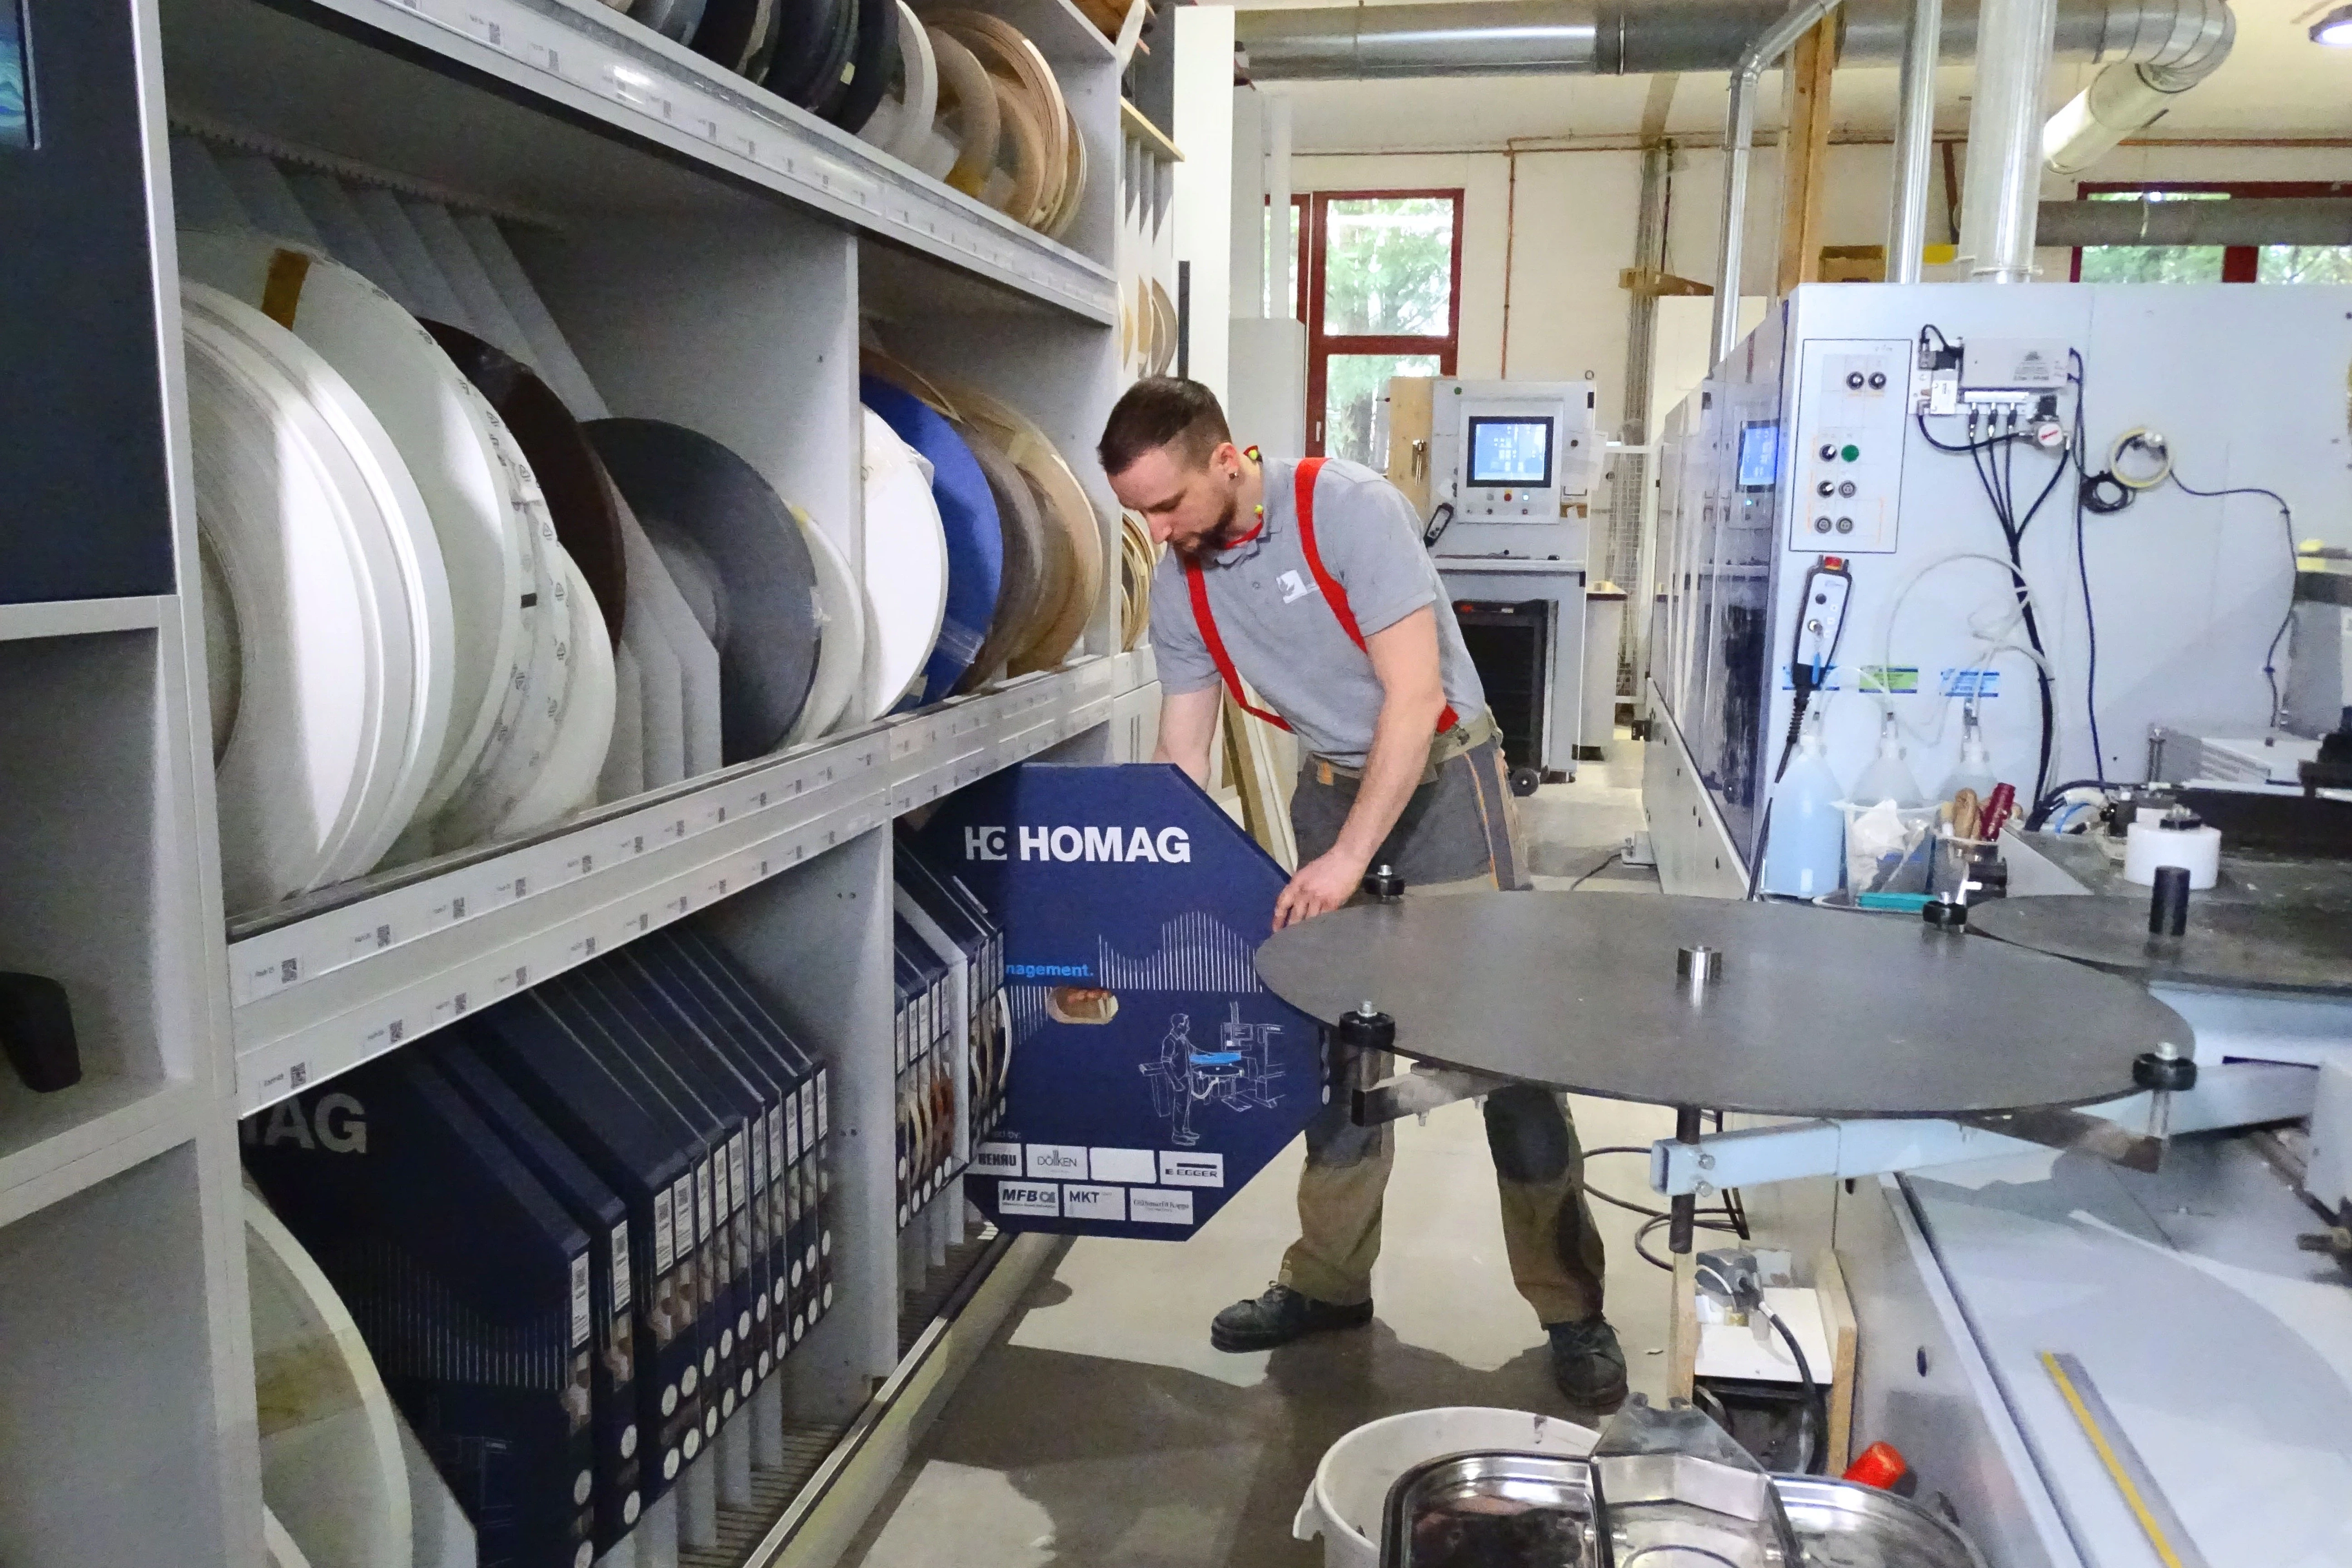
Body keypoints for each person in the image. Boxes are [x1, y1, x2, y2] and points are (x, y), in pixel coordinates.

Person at [1096, 377, 1625, 1408]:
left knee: (1503, 1047)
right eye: (1142, 514)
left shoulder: (1347, 510)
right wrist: (1154, 883)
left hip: (1446, 778)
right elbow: (1183, 756)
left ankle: (1573, 1307)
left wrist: (1343, 864)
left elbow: (1416, 698)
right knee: (1338, 1044)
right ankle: (1330, 1283)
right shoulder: (1183, 578)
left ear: (1226, 460)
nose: (1158, 531)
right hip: (1332, 788)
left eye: (1168, 505)